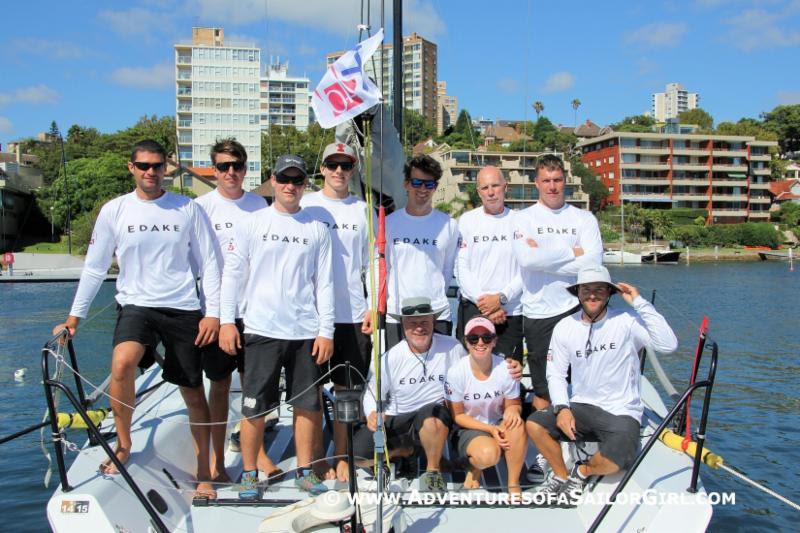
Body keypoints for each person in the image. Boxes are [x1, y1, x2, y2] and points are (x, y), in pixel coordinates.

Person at [52, 139, 221, 498]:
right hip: (136, 305)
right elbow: (95, 268)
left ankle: (204, 471)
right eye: (143, 166)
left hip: (183, 308)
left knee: (192, 390)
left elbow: (210, 264)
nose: (150, 172)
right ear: (131, 168)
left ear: (166, 169)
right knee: (122, 363)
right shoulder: (115, 210)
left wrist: (214, 314)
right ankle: (124, 444)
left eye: (157, 166)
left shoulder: (187, 209)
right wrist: (73, 318)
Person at [219, 154, 334, 499]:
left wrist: (325, 331)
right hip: (260, 330)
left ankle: (305, 470)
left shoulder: (317, 228)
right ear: (272, 180)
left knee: (307, 407)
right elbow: (232, 275)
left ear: (304, 186)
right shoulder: (253, 223)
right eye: (284, 178)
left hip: (304, 333)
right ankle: (250, 473)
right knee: (255, 408)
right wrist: (227, 322)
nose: (290, 186)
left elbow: (324, 284)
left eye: (297, 180)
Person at [527, 265, 678, 504]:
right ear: (577, 293)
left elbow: (668, 345)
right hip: (582, 406)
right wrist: (562, 408)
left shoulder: (627, 321)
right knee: (535, 425)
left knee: (618, 461)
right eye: (586, 289)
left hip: (621, 410)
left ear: (609, 293)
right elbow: (555, 374)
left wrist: (639, 303)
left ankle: (582, 471)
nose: (592, 295)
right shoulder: (565, 327)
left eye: (600, 289)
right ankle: (562, 476)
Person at [511, 154, 603, 483]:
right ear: (536, 183)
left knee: (578, 380)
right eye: (546, 180)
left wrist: (546, 255)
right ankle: (543, 455)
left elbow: (592, 263)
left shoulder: (584, 219)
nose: (552, 186)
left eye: (558, 179)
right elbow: (526, 258)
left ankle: (577, 447)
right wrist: (571, 252)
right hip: (538, 312)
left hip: (576, 309)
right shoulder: (522, 219)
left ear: (566, 181)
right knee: (542, 389)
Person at [301, 142, 375, 482]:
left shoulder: (364, 209)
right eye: (333, 164)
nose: (339, 171)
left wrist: (374, 305)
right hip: (310, 317)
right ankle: (316, 457)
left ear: (354, 168)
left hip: (352, 315)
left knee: (348, 392)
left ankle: (342, 453)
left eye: (346, 165)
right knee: (311, 392)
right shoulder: (306, 204)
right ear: (323, 168)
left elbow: (372, 264)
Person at [194, 138, 268, 483]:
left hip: (255, 310)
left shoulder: (260, 206)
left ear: (246, 168)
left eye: (238, 165)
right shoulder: (201, 208)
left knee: (253, 385)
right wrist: (215, 315)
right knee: (219, 385)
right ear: (214, 169)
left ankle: (260, 453)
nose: (231, 172)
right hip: (217, 310)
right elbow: (194, 262)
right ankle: (217, 462)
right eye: (224, 166)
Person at [353, 297, 463, 493]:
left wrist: (506, 368)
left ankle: (433, 471)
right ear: (403, 325)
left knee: (432, 415)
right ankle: (410, 450)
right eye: (412, 323)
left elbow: (473, 372)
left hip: (434, 415)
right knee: (359, 456)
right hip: (399, 417)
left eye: (424, 322)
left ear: (433, 322)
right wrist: (372, 413)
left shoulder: (453, 347)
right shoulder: (390, 357)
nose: (419, 328)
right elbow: (372, 393)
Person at [445, 316, 527, 499]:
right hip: (470, 427)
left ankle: (513, 484)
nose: (480, 343)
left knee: (517, 424)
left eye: (486, 338)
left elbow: (513, 404)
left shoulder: (506, 368)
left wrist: (513, 410)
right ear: (466, 342)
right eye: (474, 338)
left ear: (494, 341)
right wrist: (491, 429)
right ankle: (475, 467)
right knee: (490, 455)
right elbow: (457, 415)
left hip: (498, 422)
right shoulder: (456, 372)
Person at [384, 155, 459, 349]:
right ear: (406, 184)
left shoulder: (449, 225)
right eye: (417, 183)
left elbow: (448, 269)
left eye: (429, 184)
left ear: (435, 187)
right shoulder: (389, 224)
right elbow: (383, 267)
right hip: (398, 313)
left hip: (437, 312)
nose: (423, 189)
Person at [456, 165, 524, 361]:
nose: (491, 192)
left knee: (509, 376)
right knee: (470, 373)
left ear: (506, 187)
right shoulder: (466, 221)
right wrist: (486, 306)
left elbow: (526, 269)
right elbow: (461, 267)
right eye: (485, 188)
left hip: (510, 312)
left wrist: (502, 298)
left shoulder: (521, 221)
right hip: (473, 308)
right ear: (478, 192)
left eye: (495, 185)